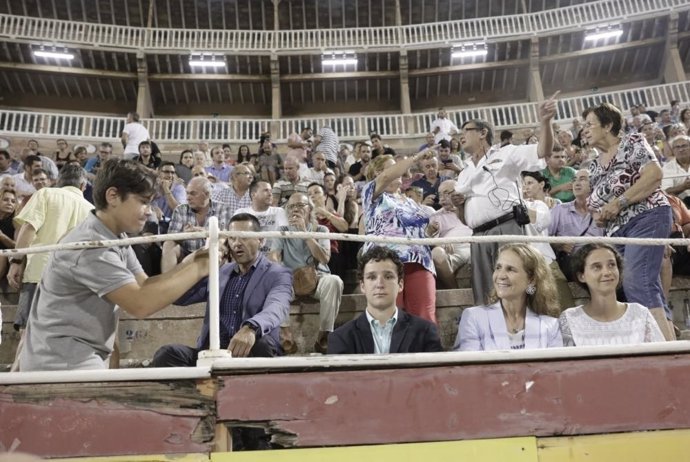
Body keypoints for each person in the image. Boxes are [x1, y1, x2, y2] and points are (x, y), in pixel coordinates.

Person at [18, 159, 211, 371]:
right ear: (113, 196)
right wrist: (200, 267)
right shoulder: (91, 245)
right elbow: (141, 303)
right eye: (143, 201)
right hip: (60, 367)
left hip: (77, 359)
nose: (149, 211)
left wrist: (192, 260)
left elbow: (145, 285)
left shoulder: (113, 236)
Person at [455, 93, 557, 305]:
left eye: (467, 130)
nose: (461, 135)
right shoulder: (463, 172)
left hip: (507, 228)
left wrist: (545, 122)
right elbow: (464, 218)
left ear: (483, 133)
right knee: (485, 293)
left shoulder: (506, 153)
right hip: (478, 236)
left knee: (518, 287)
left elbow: (542, 151)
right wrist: (458, 206)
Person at [582, 102, 673, 340]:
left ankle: (665, 351)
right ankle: (664, 338)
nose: (585, 130)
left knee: (638, 280)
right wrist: (599, 215)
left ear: (608, 125)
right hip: (614, 232)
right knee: (622, 285)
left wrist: (618, 204)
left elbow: (654, 175)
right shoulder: (593, 166)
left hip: (647, 216)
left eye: (590, 124)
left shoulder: (633, 142)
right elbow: (596, 205)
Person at [153, 213, 292, 366]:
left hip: (249, 351)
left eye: (243, 237)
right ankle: (200, 390)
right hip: (215, 353)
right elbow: (178, 297)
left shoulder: (277, 273)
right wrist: (202, 260)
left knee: (262, 345)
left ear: (261, 240)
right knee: (166, 355)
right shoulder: (220, 271)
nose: (237, 244)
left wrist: (251, 328)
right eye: (232, 238)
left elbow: (277, 307)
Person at [9, 164, 94, 333]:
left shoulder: (46, 193)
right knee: (60, 336)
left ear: (57, 181)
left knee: (28, 334)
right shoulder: (92, 210)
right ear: (83, 186)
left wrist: (16, 262)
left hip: (39, 274)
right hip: (73, 282)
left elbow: (28, 229)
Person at [362, 151, 437, 324]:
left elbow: (422, 232)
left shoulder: (410, 202)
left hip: (419, 261)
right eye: (392, 167)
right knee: (388, 318)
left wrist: (431, 230)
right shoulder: (372, 194)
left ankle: (427, 350)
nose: (397, 172)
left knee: (424, 317)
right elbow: (388, 175)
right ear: (376, 174)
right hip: (384, 262)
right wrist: (416, 158)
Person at [327, 246, 443, 354]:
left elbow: (436, 375)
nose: (380, 284)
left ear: (400, 284)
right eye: (372, 277)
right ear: (362, 286)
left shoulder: (425, 332)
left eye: (388, 277)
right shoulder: (340, 338)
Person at [269, 192, 343, 353]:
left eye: (300, 205)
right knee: (275, 282)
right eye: (291, 206)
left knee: (335, 281)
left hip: (318, 278)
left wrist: (305, 233)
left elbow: (324, 258)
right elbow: (274, 256)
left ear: (309, 209)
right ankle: (286, 333)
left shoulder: (321, 229)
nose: (295, 209)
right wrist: (277, 265)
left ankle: (324, 334)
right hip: (291, 279)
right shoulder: (282, 230)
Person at [453, 243, 562, 351]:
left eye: (510, 269)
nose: (501, 276)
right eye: (498, 268)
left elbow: (555, 367)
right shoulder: (473, 318)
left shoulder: (551, 326)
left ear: (531, 280)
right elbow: (469, 366)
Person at [559, 244, 664, 346]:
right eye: (597, 267)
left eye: (611, 265)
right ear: (581, 276)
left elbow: (660, 360)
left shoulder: (640, 314)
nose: (607, 272)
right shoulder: (570, 319)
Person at [161, 176, 231, 273]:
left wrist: (204, 232)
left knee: (218, 245)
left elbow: (224, 236)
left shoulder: (223, 208)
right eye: (187, 193)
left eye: (193, 194)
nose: (188, 197)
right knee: (168, 244)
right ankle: (168, 283)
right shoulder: (180, 209)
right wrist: (184, 234)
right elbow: (171, 237)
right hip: (186, 252)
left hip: (211, 250)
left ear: (207, 194)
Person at [549, 169, 604, 281]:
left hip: (598, 260)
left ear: (595, 183)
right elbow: (542, 238)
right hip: (570, 263)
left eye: (582, 179)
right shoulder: (559, 210)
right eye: (574, 180)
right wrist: (558, 244)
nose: (577, 183)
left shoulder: (604, 211)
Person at [427, 180, 471, 289]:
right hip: (451, 249)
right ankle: (455, 291)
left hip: (470, 245)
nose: (442, 198)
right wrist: (440, 244)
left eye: (446, 193)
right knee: (437, 253)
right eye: (440, 194)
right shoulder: (436, 216)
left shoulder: (471, 209)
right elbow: (432, 238)